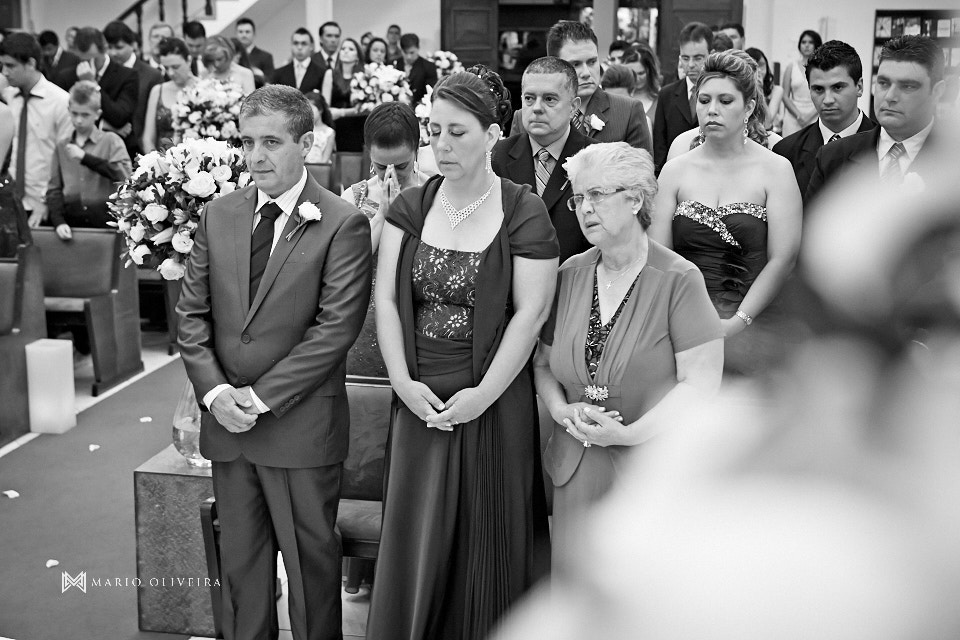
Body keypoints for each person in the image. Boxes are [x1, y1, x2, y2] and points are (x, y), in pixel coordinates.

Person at [367, 66, 557, 639]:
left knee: (488, 536)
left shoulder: (524, 211)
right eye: (434, 132)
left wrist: (482, 396)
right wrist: (401, 381)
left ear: (493, 136)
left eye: (457, 132)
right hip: (419, 390)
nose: (442, 145)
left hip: (494, 393)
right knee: (417, 531)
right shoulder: (410, 207)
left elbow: (530, 315)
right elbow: (386, 299)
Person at [177, 84, 372, 640]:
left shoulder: (340, 222)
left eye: (271, 142)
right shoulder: (219, 215)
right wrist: (216, 396)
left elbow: (334, 330)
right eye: (246, 143)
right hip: (230, 429)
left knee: (311, 570)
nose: (255, 156)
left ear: (306, 143)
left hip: (298, 426)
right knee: (241, 567)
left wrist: (257, 400)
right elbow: (191, 315)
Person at [534, 141, 723, 561]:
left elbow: (702, 383)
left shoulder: (679, 279)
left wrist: (630, 435)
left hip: (649, 477)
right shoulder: (570, 273)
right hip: (574, 469)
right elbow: (543, 364)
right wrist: (561, 409)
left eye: (596, 195)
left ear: (636, 198)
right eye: (578, 198)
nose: (584, 208)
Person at [652, 51, 802, 375]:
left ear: (748, 107)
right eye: (704, 100)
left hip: (755, 323)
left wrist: (738, 321)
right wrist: (682, 321)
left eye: (725, 100)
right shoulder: (674, 171)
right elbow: (660, 256)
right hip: (680, 322)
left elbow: (783, 260)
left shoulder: (776, 170)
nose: (712, 110)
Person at [339, 102, 429, 377]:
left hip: (421, 320)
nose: (390, 173)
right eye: (380, 166)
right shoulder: (352, 198)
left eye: (401, 165)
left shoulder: (436, 193)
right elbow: (349, 267)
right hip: (365, 322)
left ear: (416, 150)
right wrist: (384, 217)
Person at [806, 35, 946, 205]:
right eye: (883, 83)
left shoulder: (951, 161)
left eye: (908, 86)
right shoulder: (832, 157)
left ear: (937, 92)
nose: (890, 96)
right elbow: (813, 230)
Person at [494, 56, 596, 262]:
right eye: (529, 98)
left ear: (574, 106)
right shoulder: (497, 157)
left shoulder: (595, 159)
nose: (537, 108)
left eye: (549, 99)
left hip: (575, 283)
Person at [511, 21, 652, 154]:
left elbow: (641, 174)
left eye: (592, 62)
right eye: (575, 64)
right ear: (554, 64)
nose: (586, 73)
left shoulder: (628, 112)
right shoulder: (525, 116)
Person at [773, 40, 876, 195]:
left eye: (837, 87)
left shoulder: (886, 147)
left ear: (859, 87)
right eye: (818, 89)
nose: (828, 100)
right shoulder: (786, 152)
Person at [1, 32, 72, 228]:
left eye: (11, 66)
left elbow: (64, 160)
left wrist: (45, 200)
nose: (5, 72)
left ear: (31, 63)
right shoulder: (8, 97)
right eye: (2, 65)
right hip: (9, 201)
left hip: (44, 205)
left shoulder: (60, 102)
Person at [46, 80, 131, 239]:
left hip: (106, 223)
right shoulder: (62, 145)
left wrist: (85, 158)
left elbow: (125, 176)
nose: (78, 120)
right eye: (74, 113)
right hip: (72, 223)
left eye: (85, 114)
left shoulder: (111, 140)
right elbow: (54, 189)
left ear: (97, 114)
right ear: (68, 111)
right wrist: (58, 221)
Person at [55, 27, 139, 153]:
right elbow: (65, 118)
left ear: (105, 49)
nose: (89, 64)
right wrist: (105, 125)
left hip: (115, 150)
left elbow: (120, 117)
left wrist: (93, 84)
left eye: (93, 58)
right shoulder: (66, 77)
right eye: (83, 59)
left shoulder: (127, 75)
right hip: (77, 150)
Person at [652, 21, 712, 172]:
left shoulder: (720, 96)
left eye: (698, 58)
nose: (691, 65)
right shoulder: (667, 94)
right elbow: (660, 145)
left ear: (711, 54)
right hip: (675, 173)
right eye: (685, 58)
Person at [104, 21, 163, 157]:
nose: (113, 53)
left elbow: (157, 116)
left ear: (133, 45)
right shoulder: (105, 72)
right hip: (109, 147)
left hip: (141, 148)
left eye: (119, 47)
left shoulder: (151, 75)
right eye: (109, 47)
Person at [141, 38, 196, 153]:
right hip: (162, 161)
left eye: (176, 67)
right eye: (166, 68)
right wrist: (156, 164)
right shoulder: (158, 91)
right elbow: (148, 138)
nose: (171, 73)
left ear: (189, 60)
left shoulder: (205, 89)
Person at [322, 37, 364, 152]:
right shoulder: (330, 74)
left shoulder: (363, 76)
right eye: (343, 48)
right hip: (336, 126)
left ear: (357, 56)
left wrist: (341, 112)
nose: (346, 51)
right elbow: (325, 106)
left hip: (358, 126)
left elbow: (365, 107)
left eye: (351, 49)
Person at [781, 29, 822, 137]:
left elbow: (824, 95)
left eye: (810, 42)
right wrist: (799, 115)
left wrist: (809, 116)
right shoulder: (791, 67)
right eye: (804, 42)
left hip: (815, 114)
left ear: (816, 45)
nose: (807, 45)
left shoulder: (822, 69)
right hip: (793, 116)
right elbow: (785, 96)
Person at [272, 28, 324, 94]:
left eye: (304, 43)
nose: (299, 47)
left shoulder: (321, 73)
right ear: (291, 46)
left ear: (311, 46)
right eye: (296, 43)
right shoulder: (279, 74)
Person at [621, 42, 660, 127]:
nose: (637, 79)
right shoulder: (618, 97)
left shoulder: (662, 98)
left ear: (650, 71)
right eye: (632, 74)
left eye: (641, 73)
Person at [745, 47, 784, 134]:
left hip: (766, 134)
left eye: (761, 65)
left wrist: (759, 90)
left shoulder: (777, 90)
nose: (758, 70)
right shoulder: (741, 90)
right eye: (754, 66)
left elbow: (768, 122)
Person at [396, 33, 437, 107]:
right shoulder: (393, 64)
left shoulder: (428, 66)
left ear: (418, 48)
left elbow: (431, 94)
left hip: (419, 110)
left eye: (412, 52)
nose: (409, 57)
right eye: (405, 53)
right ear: (401, 50)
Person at [235, 18, 274, 83]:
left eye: (247, 32)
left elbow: (270, 81)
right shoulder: (231, 56)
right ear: (236, 34)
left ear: (254, 34)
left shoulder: (265, 57)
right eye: (240, 32)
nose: (244, 35)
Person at [303, 90, 335, 164]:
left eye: (311, 109)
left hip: (321, 171)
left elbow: (325, 159)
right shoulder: (302, 130)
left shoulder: (329, 132)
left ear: (320, 110)